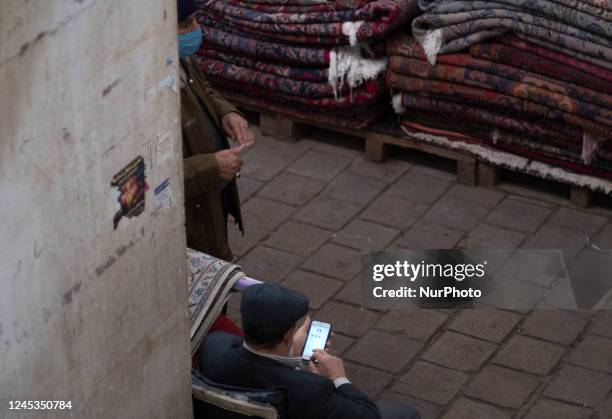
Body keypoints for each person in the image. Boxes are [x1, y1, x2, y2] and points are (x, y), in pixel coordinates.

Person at [199, 283, 421, 419]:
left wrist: (292, 354)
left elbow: (259, 364)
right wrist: (338, 378)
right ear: (288, 334)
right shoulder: (311, 390)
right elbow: (367, 416)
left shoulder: (214, 346)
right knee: (404, 413)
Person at [177, 0, 254, 261]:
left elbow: (203, 89)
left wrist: (226, 112)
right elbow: (152, 178)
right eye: (186, 25)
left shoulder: (180, 61)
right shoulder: (144, 96)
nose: (197, 30)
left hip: (209, 198)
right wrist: (211, 167)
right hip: (187, 217)